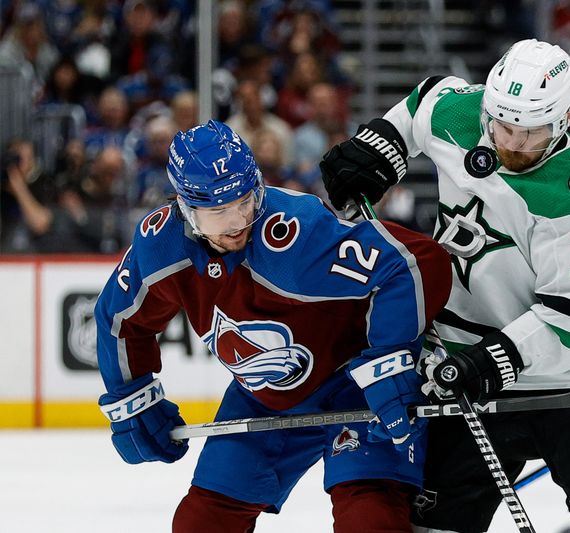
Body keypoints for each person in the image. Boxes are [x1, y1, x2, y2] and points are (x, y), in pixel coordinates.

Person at [320, 39, 570, 533]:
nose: (512, 145)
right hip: (461, 367)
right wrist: (375, 151)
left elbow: (568, 324)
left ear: (563, 120)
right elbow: (424, 99)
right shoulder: (462, 115)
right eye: (503, 126)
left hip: (568, 383)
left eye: (531, 133)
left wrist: (490, 361)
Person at [94, 120, 452, 532]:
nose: (235, 223)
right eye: (217, 212)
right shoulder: (160, 245)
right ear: (185, 208)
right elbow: (118, 319)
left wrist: (389, 360)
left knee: (368, 517)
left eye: (244, 203)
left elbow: (414, 260)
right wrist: (131, 396)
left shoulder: (296, 233)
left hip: (356, 386)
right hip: (264, 394)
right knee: (202, 522)